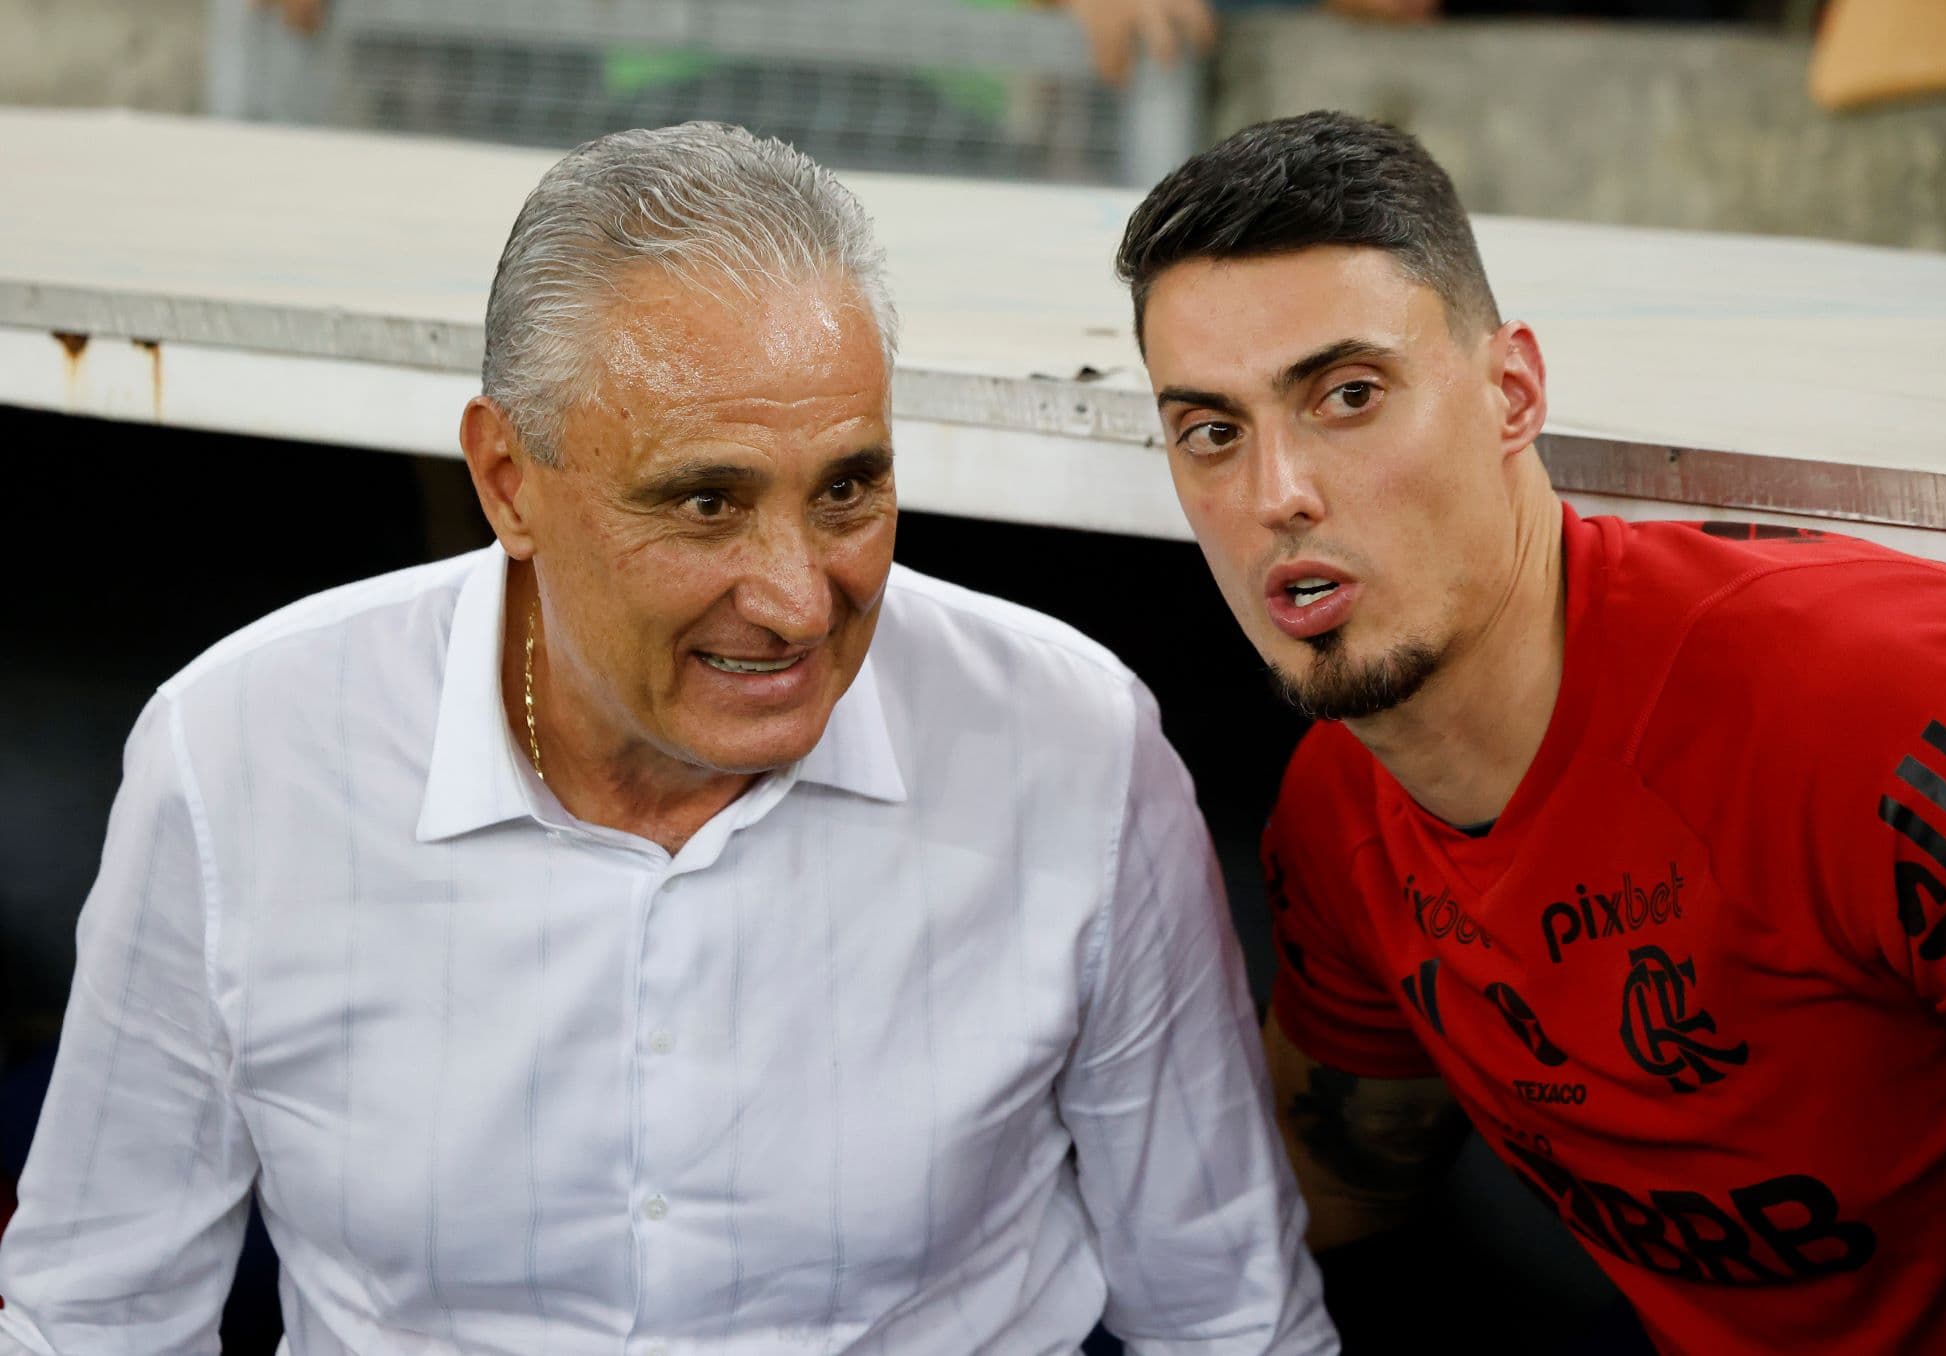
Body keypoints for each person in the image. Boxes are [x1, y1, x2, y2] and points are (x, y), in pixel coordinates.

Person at [0, 123, 1334, 1355]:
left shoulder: (1071, 748)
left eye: (848, 491)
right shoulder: (241, 754)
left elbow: (1227, 1316)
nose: (799, 599)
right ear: (508, 480)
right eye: (705, 503)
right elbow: (95, 1317)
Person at [1113, 109, 1946, 1353]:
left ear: (1510, 393)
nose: (1277, 493)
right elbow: (1331, 1194)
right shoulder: (1339, 819)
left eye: (1345, 394)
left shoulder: (1883, 705)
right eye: (1210, 432)